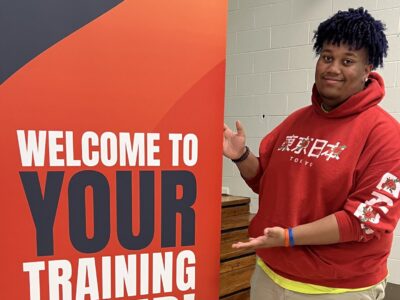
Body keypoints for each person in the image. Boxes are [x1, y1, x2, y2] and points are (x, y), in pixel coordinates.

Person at [223, 7, 400, 300]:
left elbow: (363, 220)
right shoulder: (297, 120)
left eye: (347, 61)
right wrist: (241, 156)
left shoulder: (385, 134)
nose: (333, 68)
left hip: (337, 288)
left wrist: (289, 237)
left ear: (368, 70)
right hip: (270, 272)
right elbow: (266, 181)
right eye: (327, 57)